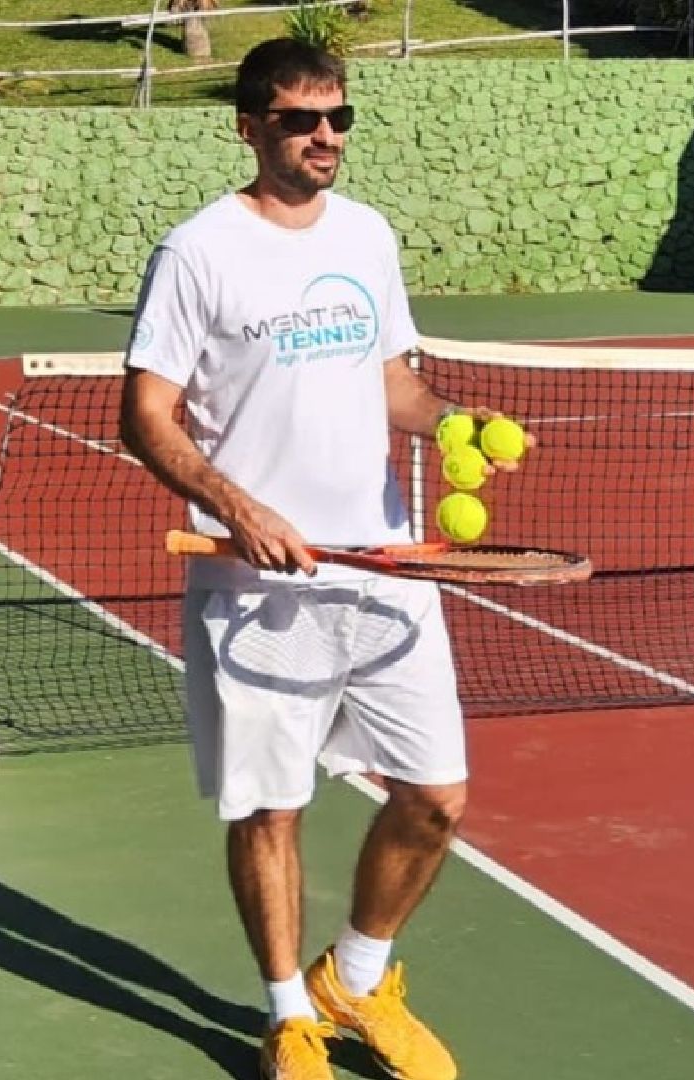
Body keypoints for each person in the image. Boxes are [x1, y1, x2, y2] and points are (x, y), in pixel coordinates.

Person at [120, 38, 500, 1080]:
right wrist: (237, 507)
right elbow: (145, 415)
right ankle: (290, 1013)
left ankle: (357, 980)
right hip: (259, 593)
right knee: (270, 807)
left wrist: (453, 421)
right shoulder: (197, 252)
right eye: (300, 119)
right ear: (251, 128)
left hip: (386, 571)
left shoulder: (368, 235)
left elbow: (391, 381)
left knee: (435, 796)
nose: (324, 136)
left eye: (338, 117)